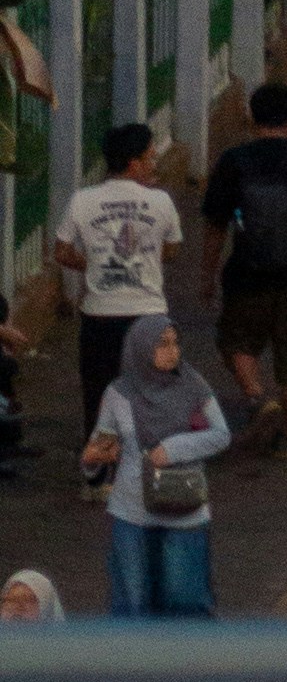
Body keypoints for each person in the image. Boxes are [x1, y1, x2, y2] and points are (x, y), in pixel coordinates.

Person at [196, 80, 287, 453]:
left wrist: (207, 275)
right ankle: (286, 439)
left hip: (248, 272)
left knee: (233, 341)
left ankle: (257, 395)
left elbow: (215, 225)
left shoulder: (233, 161)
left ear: (251, 117)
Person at [80, 319, 232, 618]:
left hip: (185, 511)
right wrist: (90, 462)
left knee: (185, 600)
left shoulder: (194, 385)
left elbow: (221, 435)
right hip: (131, 513)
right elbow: (102, 446)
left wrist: (173, 449)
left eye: (175, 342)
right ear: (141, 348)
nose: (172, 351)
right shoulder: (118, 394)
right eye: (162, 344)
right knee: (132, 603)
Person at [54, 119, 183, 445]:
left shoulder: (82, 200)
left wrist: (96, 264)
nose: (154, 163)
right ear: (134, 162)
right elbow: (171, 249)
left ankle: (99, 475)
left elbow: (62, 251)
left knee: (99, 391)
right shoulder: (161, 202)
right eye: (150, 158)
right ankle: (148, 461)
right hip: (149, 313)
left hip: (100, 314)